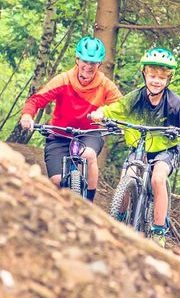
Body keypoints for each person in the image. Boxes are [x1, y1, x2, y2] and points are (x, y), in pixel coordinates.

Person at [89, 47, 180, 247]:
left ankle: (158, 231)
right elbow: (117, 109)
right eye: (152, 76)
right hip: (139, 147)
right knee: (126, 178)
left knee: (158, 179)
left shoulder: (174, 103)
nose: (156, 81)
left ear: (168, 80)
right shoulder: (135, 97)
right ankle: (117, 220)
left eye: (161, 78)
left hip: (165, 150)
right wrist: (101, 112)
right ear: (144, 74)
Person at [19, 36, 123, 201]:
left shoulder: (105, 85)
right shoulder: (64, 80)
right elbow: (36, 100)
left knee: (88, 155)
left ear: (100, 64)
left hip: (89, 134)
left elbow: (121, 108)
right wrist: (27, 115)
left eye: (93, 63)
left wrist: (109, 116)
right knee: (56, 181)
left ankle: (88, 203)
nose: (88, 66)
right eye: (85, 61)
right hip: (59, 135)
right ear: (77, 59)